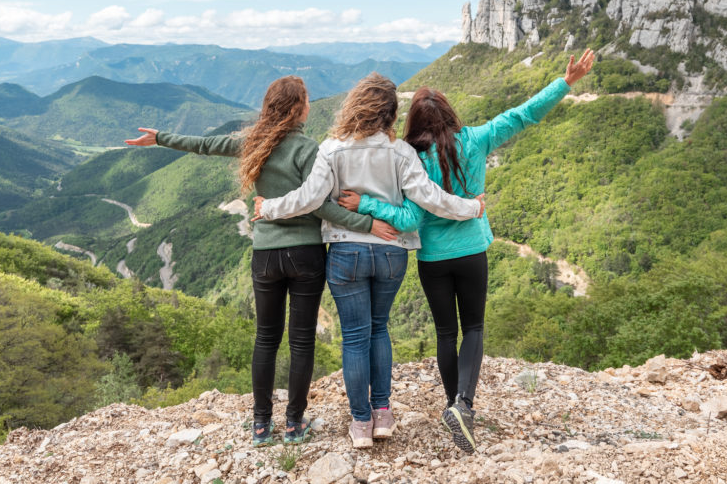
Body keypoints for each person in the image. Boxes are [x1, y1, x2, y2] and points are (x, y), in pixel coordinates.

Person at [337, 49, 595, 454]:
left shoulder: (411, 157)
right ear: (451, 114)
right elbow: (524, 114)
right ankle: (465, 406)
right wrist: (566, 82)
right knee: (473, 327)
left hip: (433, 258)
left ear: (415, 122)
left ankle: (452, 404)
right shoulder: (475, 139)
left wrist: (364, 205)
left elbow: (404, 215)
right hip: (472, 249)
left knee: (445, 331)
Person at [125, 75, 399, 447]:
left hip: (266, 255)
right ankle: (293, 425)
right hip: (305, 255)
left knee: (265, 339)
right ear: (300, 108)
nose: (308, 104)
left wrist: (160, 138)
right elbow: (322, 205)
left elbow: (205, 145)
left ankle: (259, 425)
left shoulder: (254, 143)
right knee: (302, 342)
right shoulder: (308, 149)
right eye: (306, 100)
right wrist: (368, 222)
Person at [251, 72, 485, 449]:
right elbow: (431, 197)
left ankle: (360, 423)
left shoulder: (331, 148)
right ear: (391, 115)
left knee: (355, 337)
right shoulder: (402, 153)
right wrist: (471, 207)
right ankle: (383, 415)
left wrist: (270, 208)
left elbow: (310, 199)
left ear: (356, 106)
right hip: (391, 252)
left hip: (346, 252)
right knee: (379, 329)